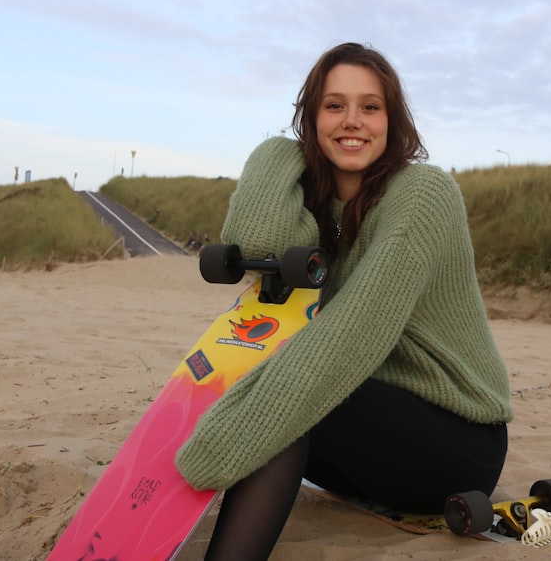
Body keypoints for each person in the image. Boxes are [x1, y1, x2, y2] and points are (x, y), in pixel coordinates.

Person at [175, 42, 514, 560]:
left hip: (454, 437)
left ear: (391, 119)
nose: (352, 121)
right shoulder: (310, 202)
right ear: (310, 117)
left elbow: (355, 334)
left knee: (282, 400)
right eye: (334, 106)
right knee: (273, 385)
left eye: (370, 107)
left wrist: (228, 440)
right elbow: (256, 243)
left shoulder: (424, 194)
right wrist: (276, 153)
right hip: (368, 429)